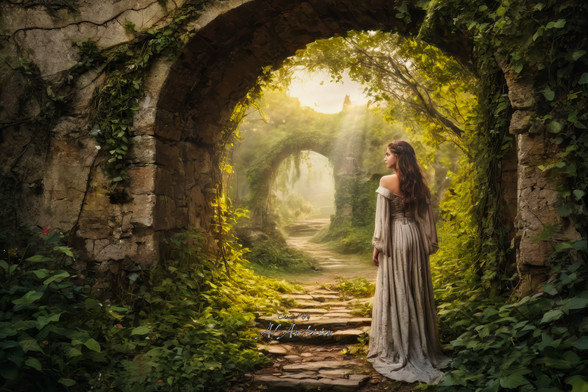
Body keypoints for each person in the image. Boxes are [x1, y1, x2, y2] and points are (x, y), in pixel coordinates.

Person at [367, 140, 450, 384]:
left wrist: (378, 246)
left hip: (395, 237)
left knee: (398, 289)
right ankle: (420, 344)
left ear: (398, 157)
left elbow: (382, 219)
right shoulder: (419, 184)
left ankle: (398, 344)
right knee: (415, 288)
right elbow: (426, 219)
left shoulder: (386, 182)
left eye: (388, 154)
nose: (384, 158)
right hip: (414, 237)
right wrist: (428, 243)